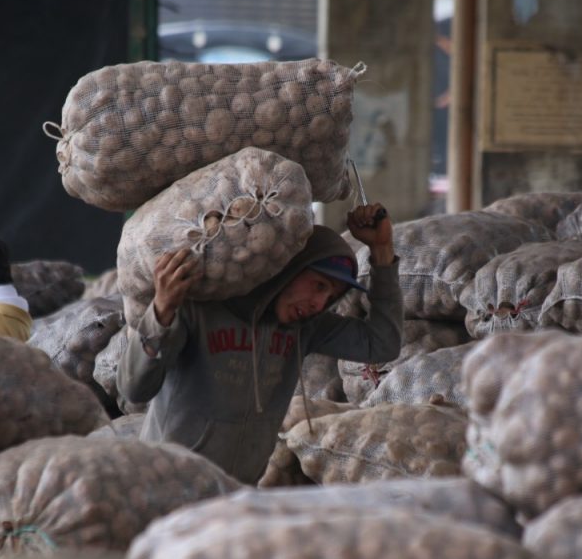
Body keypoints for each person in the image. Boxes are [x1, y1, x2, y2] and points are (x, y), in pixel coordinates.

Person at [117, 204, 403, 483]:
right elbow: (134, 389)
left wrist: (381, 252)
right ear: (290, 270)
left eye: (330, 297)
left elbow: (381, 345)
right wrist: (161, 312)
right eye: (318, 285)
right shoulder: (199, 309)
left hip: (236, 495)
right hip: (169, 484)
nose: (319, 303)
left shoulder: (304, 328)